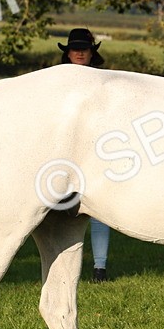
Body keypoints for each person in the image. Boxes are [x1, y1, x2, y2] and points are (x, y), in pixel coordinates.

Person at [58, 27, 112, 282]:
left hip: (97, 149)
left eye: (85, 49)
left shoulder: (104, 82)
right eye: (75, 49)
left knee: (101, 210)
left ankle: (100, 267)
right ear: (68, 53)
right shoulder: (57, 81)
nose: (80, 53)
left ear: (92, 53)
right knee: (61, 215)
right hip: (64, 153)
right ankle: (63, 269)